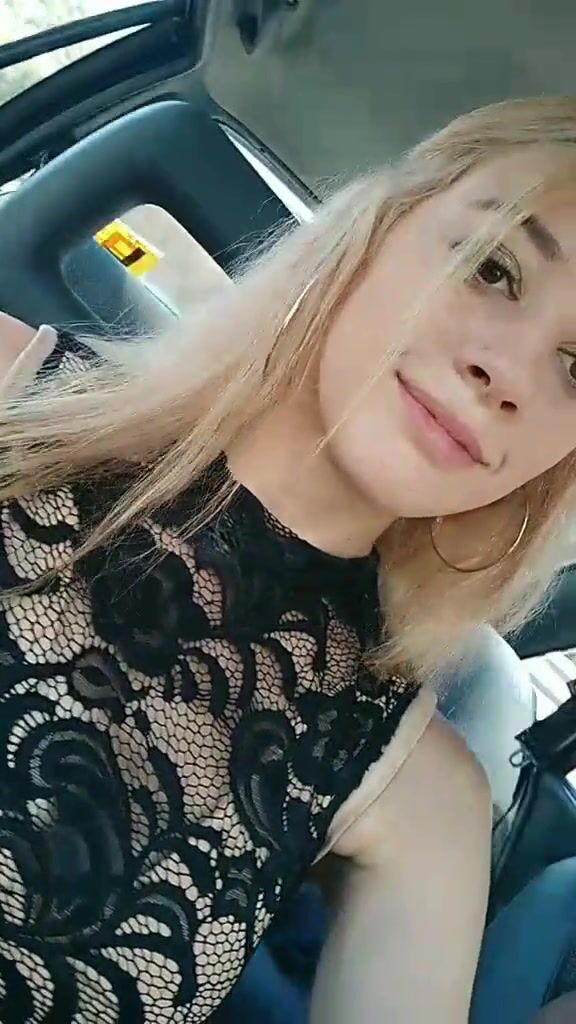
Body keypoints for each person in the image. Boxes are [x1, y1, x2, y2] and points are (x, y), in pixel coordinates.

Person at [2, 94, 576, 1023]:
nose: (506, 374)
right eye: (493, 266)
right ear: (377, 230)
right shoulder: (14, 395)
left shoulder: (428, 805)